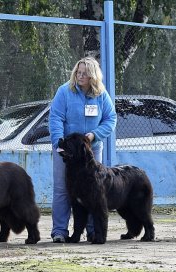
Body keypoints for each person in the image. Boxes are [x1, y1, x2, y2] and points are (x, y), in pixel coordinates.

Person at [48, 57, 117, 243]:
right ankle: (60, 232)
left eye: (84, 73)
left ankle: (93, 232)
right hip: (67, 151)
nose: (80, 76)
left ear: (93, 76)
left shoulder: (101, 94)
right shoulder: (64, 91)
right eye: (78, 72)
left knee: (94, 193)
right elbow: (55, 118)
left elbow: (111, 119)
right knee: (63, 190)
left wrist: (94, 135)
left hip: (91, 151)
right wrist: (58, 144)